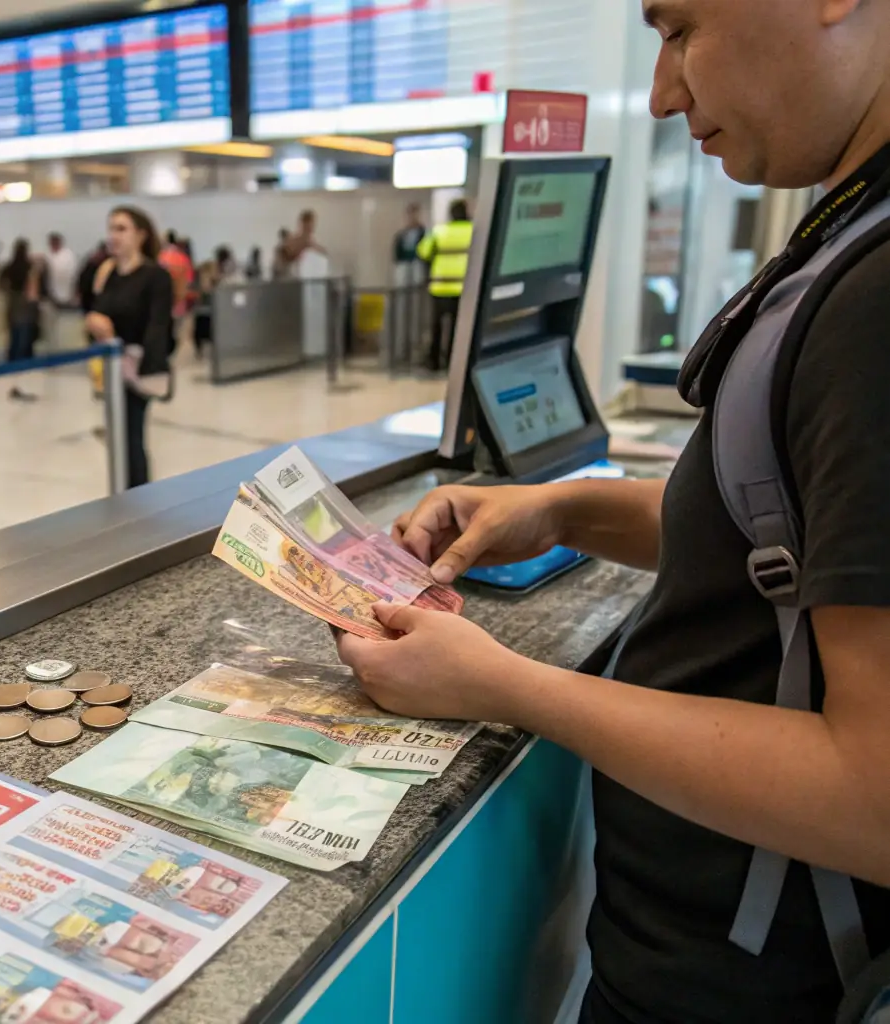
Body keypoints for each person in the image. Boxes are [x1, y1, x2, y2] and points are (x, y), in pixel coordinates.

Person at [338, 2, 890, 1022]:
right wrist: (566, 510)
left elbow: (875, 792)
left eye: (680, 30)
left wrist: (507, 683)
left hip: (762, 988)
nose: (663, 92)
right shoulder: (849, 237)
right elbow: (785, 526)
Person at [86, 206, 173, 489]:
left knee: (131, 437)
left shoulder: (154, 276)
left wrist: (144, 367)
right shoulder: (107, 274)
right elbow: (96, 312)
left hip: (137, 367)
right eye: (111, 229)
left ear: (140, 235)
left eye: (122, 229)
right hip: (111, 368)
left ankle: (138, 500)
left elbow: (159, 325)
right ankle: (124, 495)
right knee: (118, 438)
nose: (114, 236)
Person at [416, 198, 472, 371]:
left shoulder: (439, 231)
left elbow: (422, 251)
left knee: (436, 325)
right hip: (464, 288)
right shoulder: (474, 231)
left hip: (440, 286)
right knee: (457, 326)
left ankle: (433, 361)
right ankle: (451, 361)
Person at [0, 238, 43, 402]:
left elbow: (0, 285)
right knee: (26, 347)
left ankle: (13, 382)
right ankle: (25, 385)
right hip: (26, 311)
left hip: (12, 310)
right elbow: (33, 293)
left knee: (13, 344)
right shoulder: (30, 268)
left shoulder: (8, 268)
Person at [158, 230, 195, 354]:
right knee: (176, 332)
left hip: (165, 301)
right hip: (179, 300)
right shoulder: (182, 257)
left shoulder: (161, 256)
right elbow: (189, 279)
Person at [45, 232, 78, 309]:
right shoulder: (49, 255)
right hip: (52, 293)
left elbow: (74, 274)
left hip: (67, 292)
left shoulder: (68, 255)